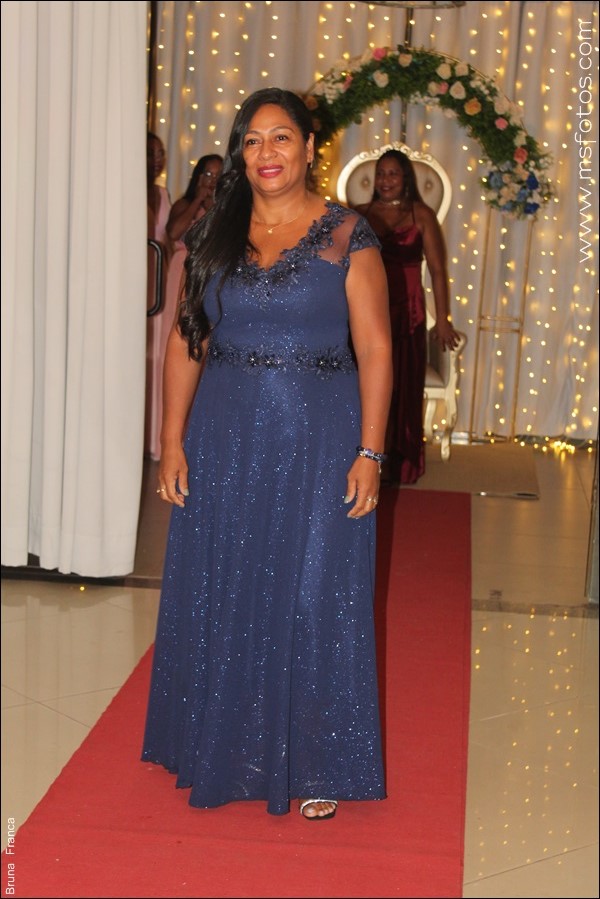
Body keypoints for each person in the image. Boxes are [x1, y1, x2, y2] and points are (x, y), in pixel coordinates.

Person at [141, 87, 393, 820]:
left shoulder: (349, 235)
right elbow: (187, 339)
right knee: (225, 586)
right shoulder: (215, 232)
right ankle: (219, 743)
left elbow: (377, 348)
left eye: (281, 137)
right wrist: (170, 440)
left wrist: (371, 451)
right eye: (251, 141)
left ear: (309, 147)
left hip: (321, 440)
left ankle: (318, 759)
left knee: (315, 593)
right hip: (225, 437)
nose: (266, 153)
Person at [353, 149, 460, 484]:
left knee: (402, 389)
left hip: (408, 315)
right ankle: (361, 457)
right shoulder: (359, 214)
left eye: (393, 174)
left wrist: (443, 320)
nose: (385, 181)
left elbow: (438, 271)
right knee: (363, 387)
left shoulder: (421, 215)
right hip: (367, 312)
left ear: (405, 179)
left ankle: (399, 462)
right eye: (380, 174)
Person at [148, 154, 225, 461]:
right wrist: (197, 202)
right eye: (207, 174)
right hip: (180, 272)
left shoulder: (226, 209)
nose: (211, 180)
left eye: (217, 175)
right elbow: (173, 232)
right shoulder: (183, 203)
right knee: (177, 342)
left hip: (206, 275)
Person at [146, 131, 173, 460]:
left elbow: (167, 237)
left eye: (160, 153)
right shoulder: (127, 189)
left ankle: (155, 434)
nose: (156, 160)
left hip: (159, 275)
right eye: (150, 153)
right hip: (137, 277)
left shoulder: (163, 193)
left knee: (159, 352)